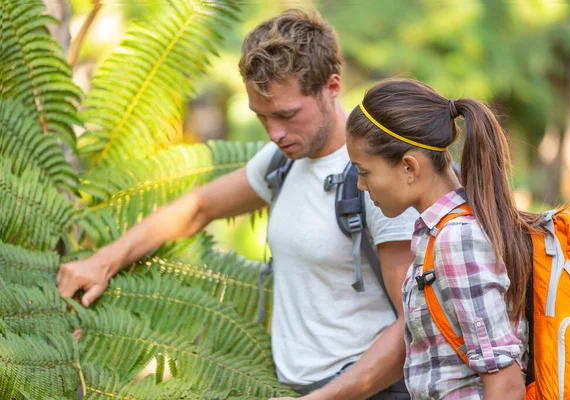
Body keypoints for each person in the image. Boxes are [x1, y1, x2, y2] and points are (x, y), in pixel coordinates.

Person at [57, 10, 418, 400]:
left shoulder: (375, 179)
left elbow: (412, 326)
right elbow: (198, 207)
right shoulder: (283, 161)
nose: (275, 133)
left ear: (331, 86)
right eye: (261, 117)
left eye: (286, 114)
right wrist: (102, 262)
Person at [345, 78, 544, 399]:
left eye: (364, 172)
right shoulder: (438, 234)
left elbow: (505, 385)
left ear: (409, 168)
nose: (361, 186)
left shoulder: (457, 241)